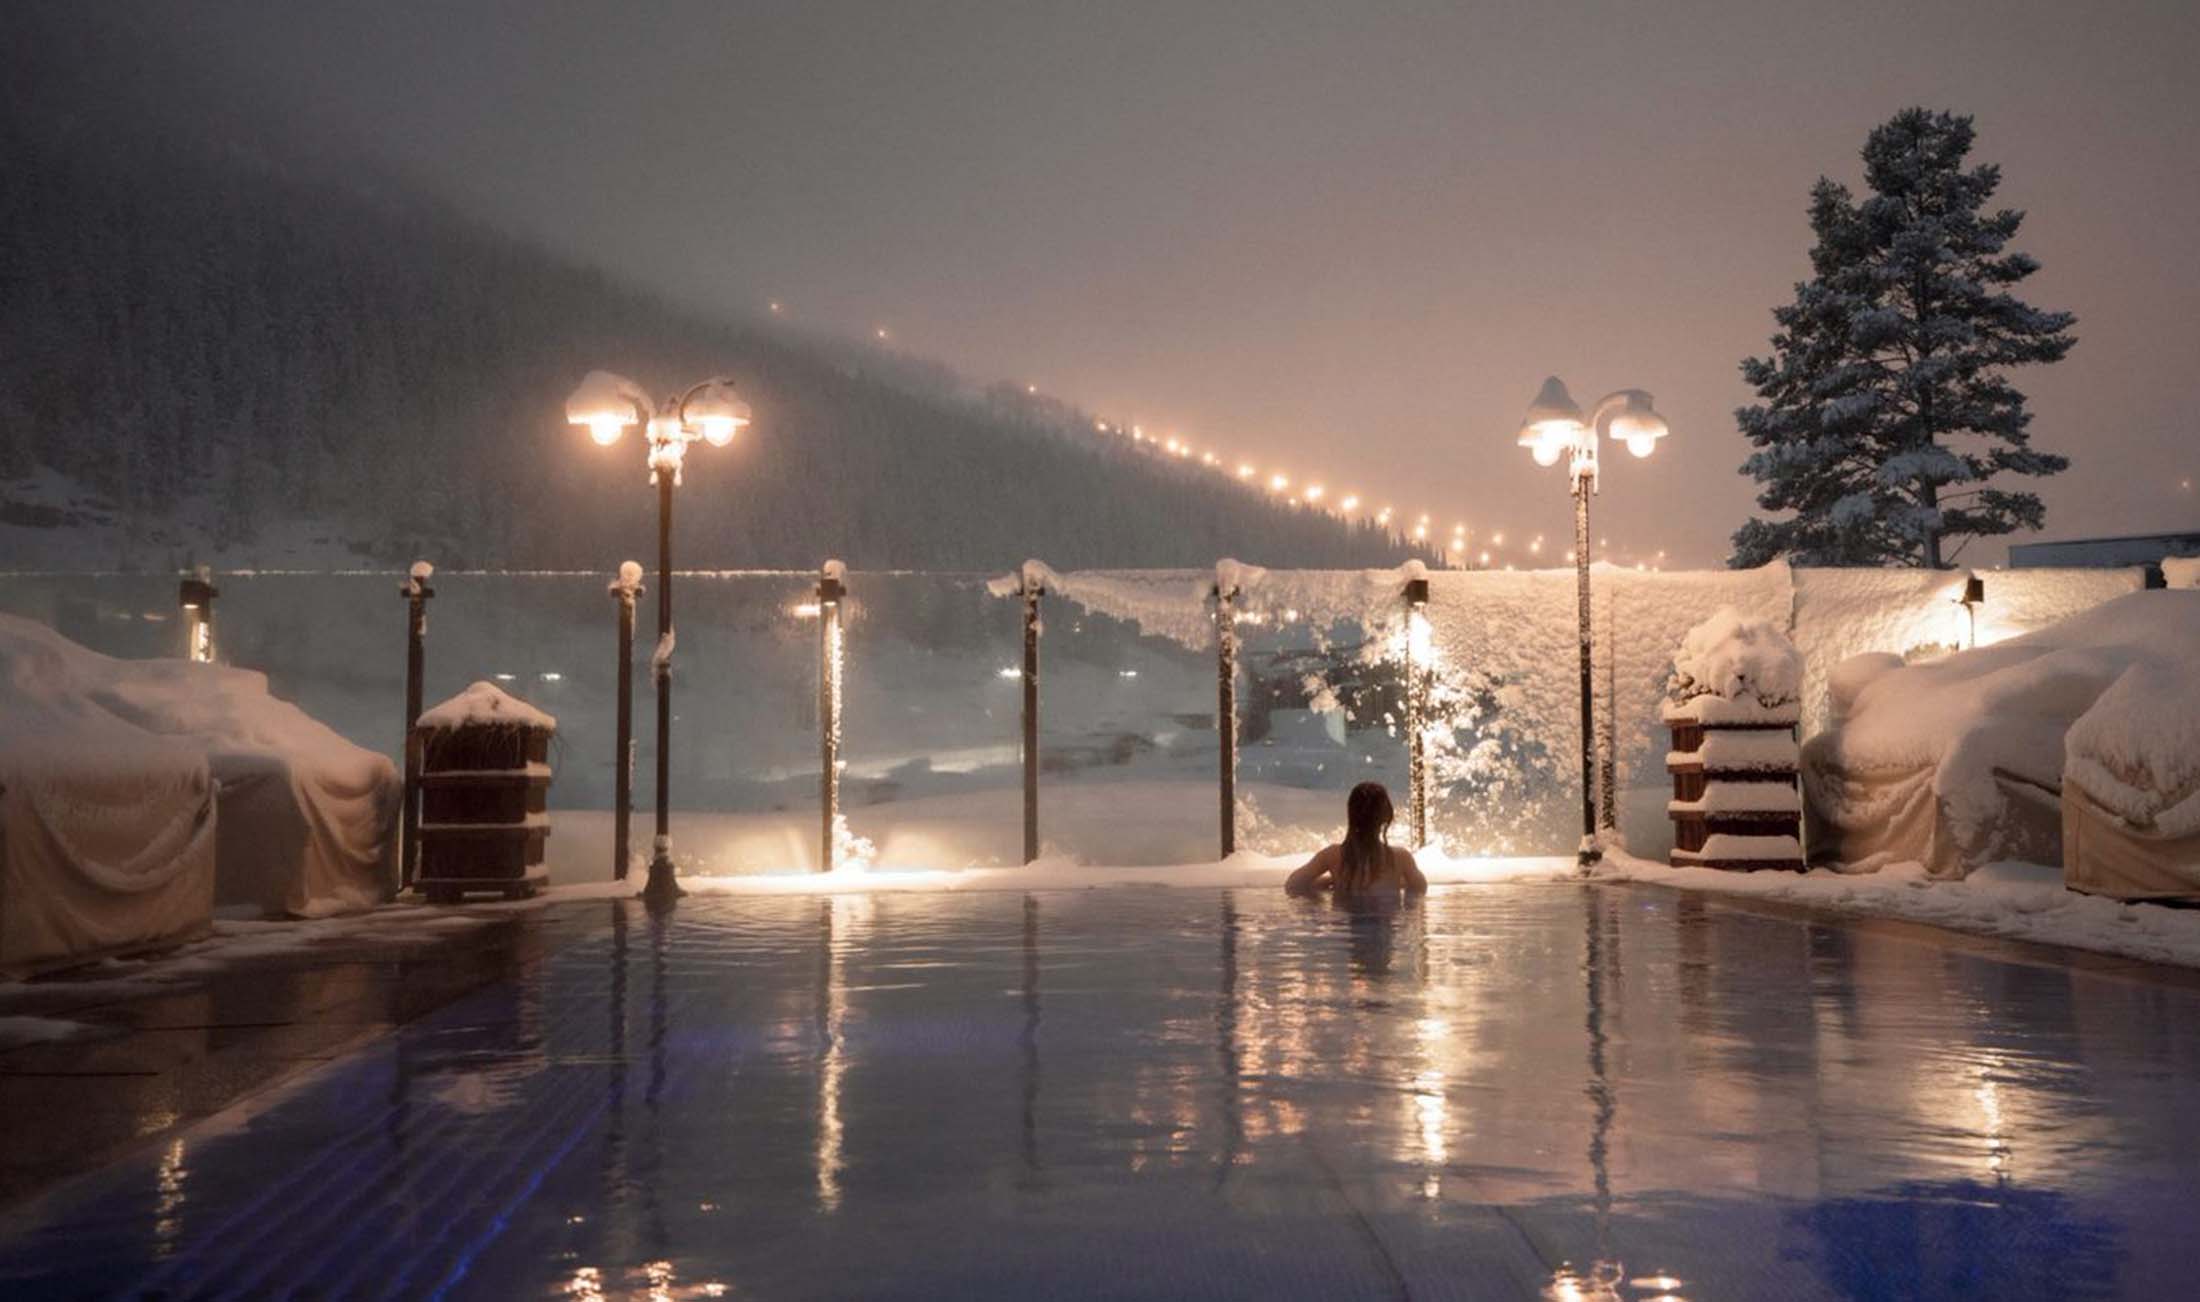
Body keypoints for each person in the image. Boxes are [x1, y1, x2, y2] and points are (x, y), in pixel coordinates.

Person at [1284, 781, 1427, 896]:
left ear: (1351, 815)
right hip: (1385, 929)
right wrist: (1399, 881)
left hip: (1345, 928)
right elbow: (1420, 889)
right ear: (1386, 816)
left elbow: (1293, 885)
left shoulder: (1333, 855)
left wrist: (1327, 881)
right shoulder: (1400, 858)